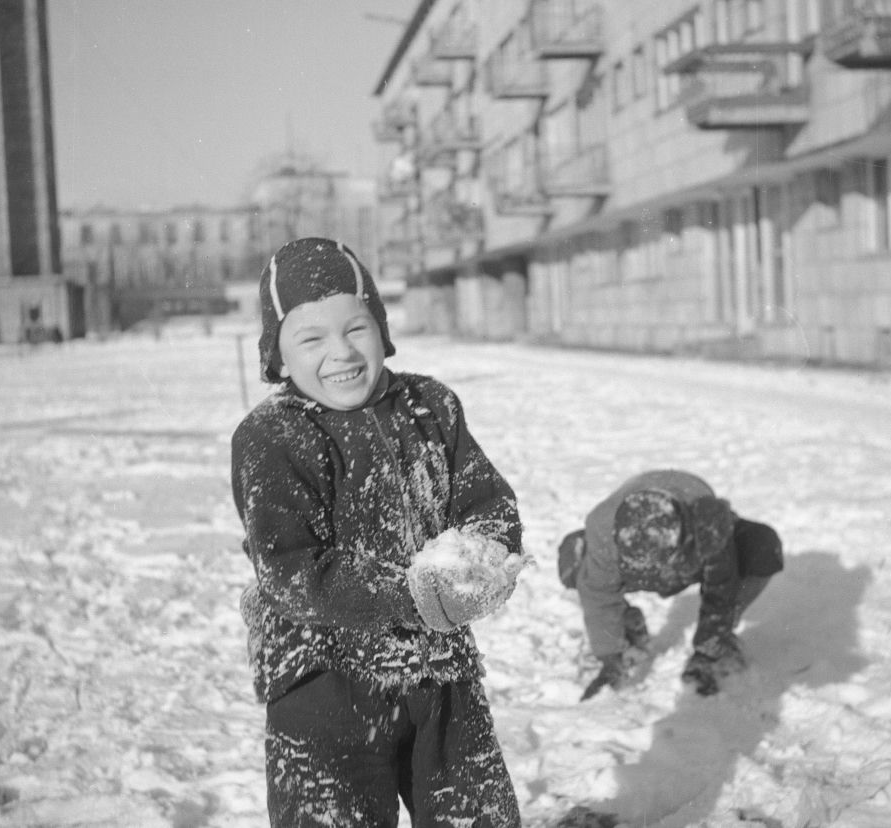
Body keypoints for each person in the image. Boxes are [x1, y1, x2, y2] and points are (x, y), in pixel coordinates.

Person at [231, 237, 524, 827]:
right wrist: (408, 593)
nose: (340, 353)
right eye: (310, 338)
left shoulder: (431, 406)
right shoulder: (271, 438)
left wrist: (484, 562)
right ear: (279, 356)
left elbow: (489, 506)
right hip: (324, 683)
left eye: (355, 329)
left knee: (478, 818)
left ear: (381, 329)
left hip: (441, 669)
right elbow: (291, 570)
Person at [557, 469, 783, 699]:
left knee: (761, 546)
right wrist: (610, 657)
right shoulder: (603, 527)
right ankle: (627, 625)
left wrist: (709, 649)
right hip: (631, 561)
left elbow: (721, 585)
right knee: (573, 559)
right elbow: (598, 591)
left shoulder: (706, 522)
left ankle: (723, 642)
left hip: (691, 553)